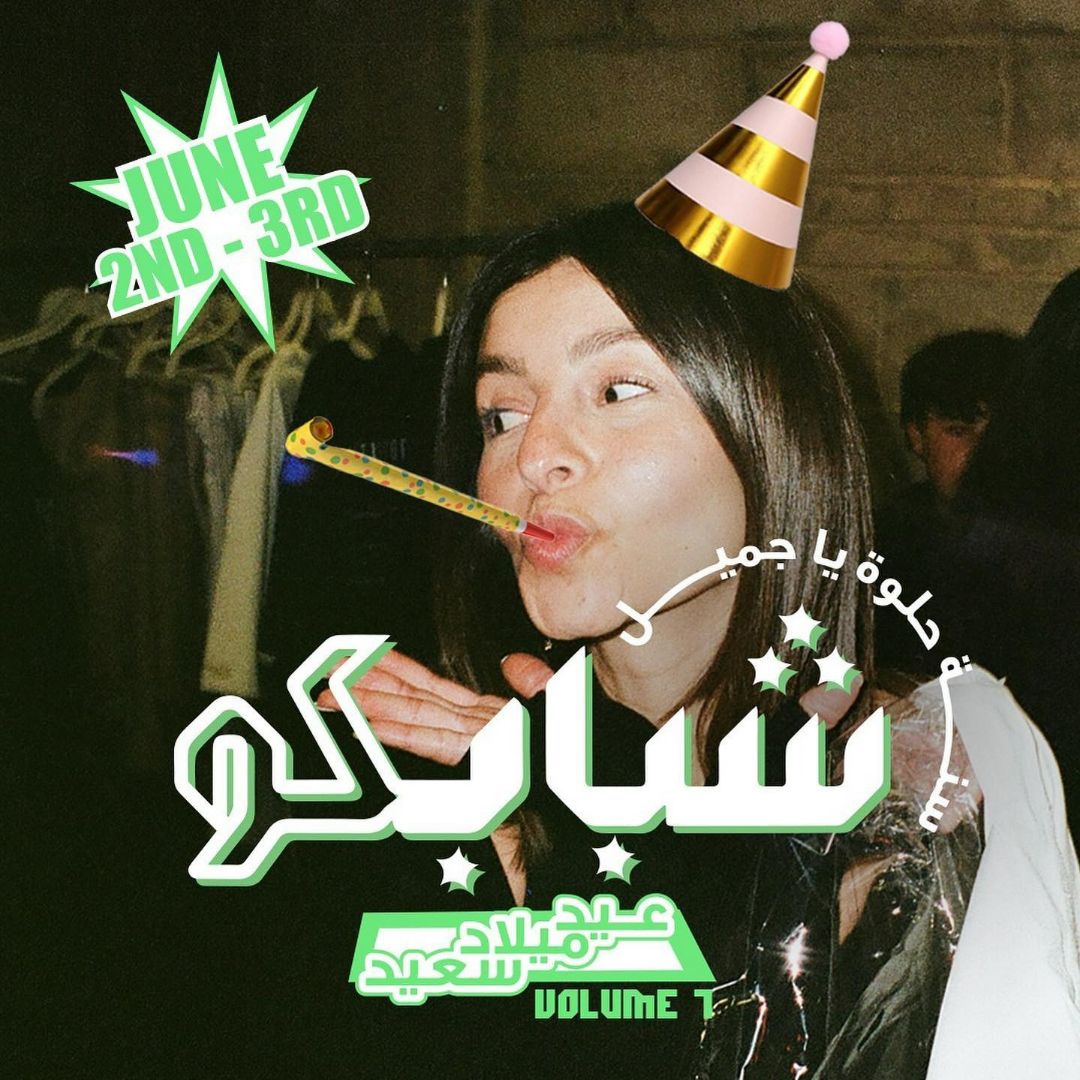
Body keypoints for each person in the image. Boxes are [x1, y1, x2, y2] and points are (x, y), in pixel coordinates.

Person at [314, 204, 1075, 1078]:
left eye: (617, 391)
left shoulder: (922, 787)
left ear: (770, 432)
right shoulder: (429, 790)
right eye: (501, 414)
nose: (533, 456)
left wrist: (652, 885)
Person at [875, 331, 1020, 673]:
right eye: (959, 431)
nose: (982, 453)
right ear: (917, 436)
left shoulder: (1054, 550)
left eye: (1000, 433)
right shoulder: (880, 546)